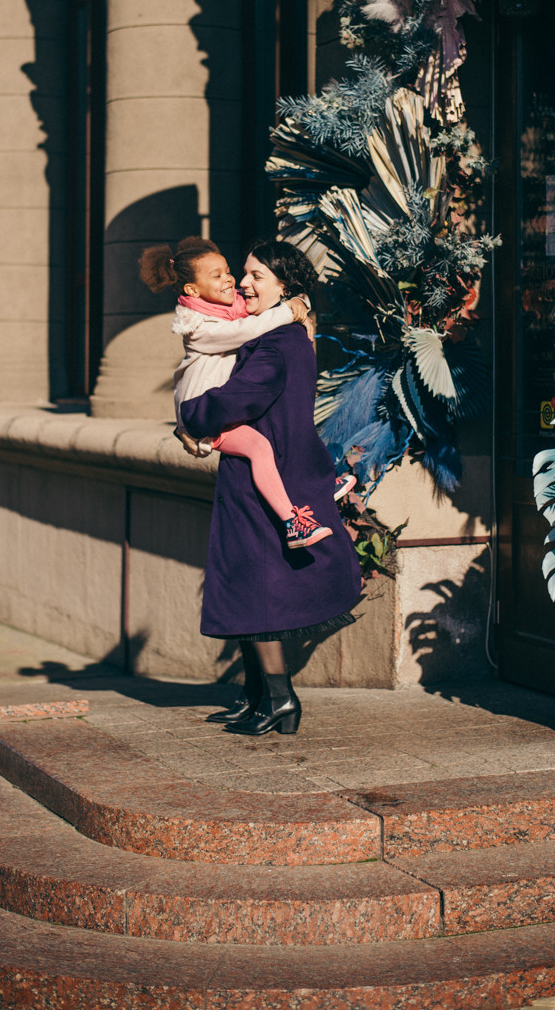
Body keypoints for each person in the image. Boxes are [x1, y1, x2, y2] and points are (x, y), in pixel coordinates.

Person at [180, 239, 363, 737]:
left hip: (265, 485)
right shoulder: (278, 337)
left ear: (286, 285)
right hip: (263, 478)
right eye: (244, 273)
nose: (243, 283)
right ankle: (257, 693)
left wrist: (189, 417)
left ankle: (279, 700)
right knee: (245, 587)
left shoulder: (276, 344)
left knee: (257, 592)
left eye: (256, 275)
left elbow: (229, 402)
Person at [141, 236, 350, 548]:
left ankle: (317, 485)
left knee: (286, 432)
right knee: (260, 448)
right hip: (202, 412)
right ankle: (293, 520)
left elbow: (282, 292)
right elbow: (246, 331)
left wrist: (300, 303)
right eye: (219, 276)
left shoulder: (231, 308)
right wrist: (294, 308)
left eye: (229, 271)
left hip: (213, 413)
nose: (233, 281)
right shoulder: (200, 327)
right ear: (192, 291)